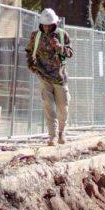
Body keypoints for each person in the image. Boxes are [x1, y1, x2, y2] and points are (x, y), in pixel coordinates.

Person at [26, 8, 73, 145]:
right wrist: (31, 64)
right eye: (44, 25)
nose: (47, 27)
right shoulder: (36, 36)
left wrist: (59, 47)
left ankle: (61, 133)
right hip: (43, 75)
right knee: (48, 106)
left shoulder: (62, 35)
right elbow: (29, 50)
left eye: (49, 25)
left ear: (55, 24)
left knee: (63, 106)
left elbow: (69, 53)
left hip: (59, 76)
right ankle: (52, 136)